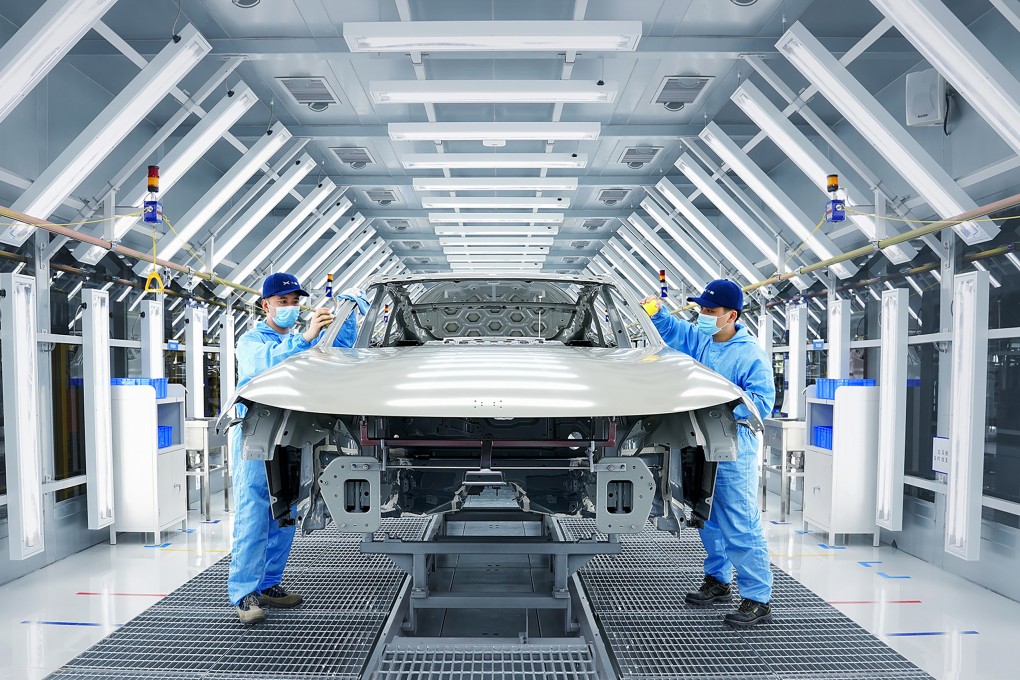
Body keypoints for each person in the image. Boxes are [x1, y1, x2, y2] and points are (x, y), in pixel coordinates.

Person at [228, 272, 368, 624]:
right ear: (266, 305)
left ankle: (271, 584)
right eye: (283, 302)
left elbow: (339, 353)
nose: (290, 307)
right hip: (257, 439)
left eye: (295, 302)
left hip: (291, 437)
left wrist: (345, 318)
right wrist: (306, 336)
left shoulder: (298, 341)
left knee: (285, 513)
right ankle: (244, 595)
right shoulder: (251, 341)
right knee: (254, 515)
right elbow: (264, 367)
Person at [641, 279, 776, 627]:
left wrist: (723, 407)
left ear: (731, 315)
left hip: (733, 449)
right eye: (701, 308)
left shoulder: (750, 355)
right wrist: (656, 311)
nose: (703, 314)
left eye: (710, 310)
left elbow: (762, 403)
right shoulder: (702, 337)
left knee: (740, 522)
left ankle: (758, 598)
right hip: (700, 445)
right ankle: (718, 579)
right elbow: (674, 330)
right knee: (707, 517)